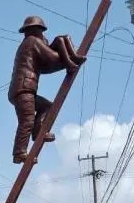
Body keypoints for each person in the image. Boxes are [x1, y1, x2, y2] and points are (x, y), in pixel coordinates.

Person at [9, 15, 85, 164]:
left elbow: (45, 67)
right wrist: (62, 51)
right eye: (41, 32)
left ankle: (38, 132)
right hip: (24, 89)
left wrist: (64, 51)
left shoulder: (29, 44)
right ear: (36, 30)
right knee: (27, 121)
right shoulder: (32, 42)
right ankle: (19, 153)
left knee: (47, 107)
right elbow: (51, 58)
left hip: (23, 89)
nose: (42, 35)